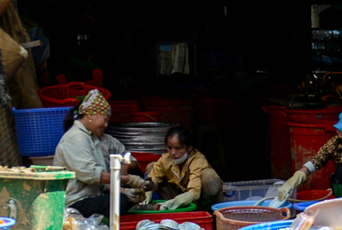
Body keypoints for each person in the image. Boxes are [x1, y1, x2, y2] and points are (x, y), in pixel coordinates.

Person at [52, 90, 146, 218]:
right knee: (120, 201)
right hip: (73, 204)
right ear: (91, 115)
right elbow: (90, 174)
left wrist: (126, 190)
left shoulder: (93, 138)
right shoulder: (75, 138)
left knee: (125, 197)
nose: (106, 125)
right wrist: (129, 180)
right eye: (105, 120)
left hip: (93, 196)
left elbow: (100, 185)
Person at [143, 126, 223, 211]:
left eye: (178, 148)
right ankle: (168, 207)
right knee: (152, 166)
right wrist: (147, 192)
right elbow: (153, 177)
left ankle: (206, 210)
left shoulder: (198, 160)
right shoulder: (165, 159)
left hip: (199, 200)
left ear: (189, 148)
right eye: (169, 148)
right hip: (174, 197)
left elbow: (194, 191)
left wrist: (184, 198)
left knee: (208, 175)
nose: (173, 153)